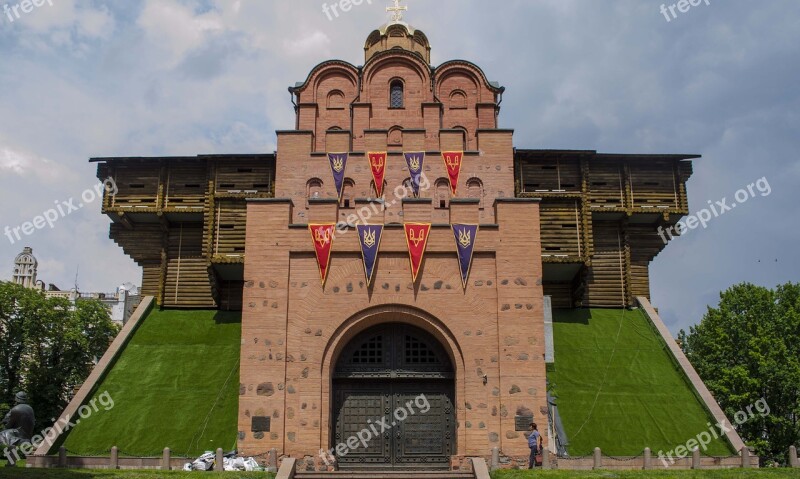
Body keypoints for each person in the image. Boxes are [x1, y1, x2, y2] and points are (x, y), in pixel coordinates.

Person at [1, 392, 35, 467]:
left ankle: (8, 447)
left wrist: (5, 421)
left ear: (17, 399)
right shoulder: (30, 408)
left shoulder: (15, 409)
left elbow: (8, 426)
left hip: (19, 433)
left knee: (3, 434)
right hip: (27, 434)